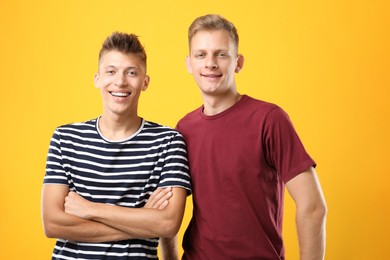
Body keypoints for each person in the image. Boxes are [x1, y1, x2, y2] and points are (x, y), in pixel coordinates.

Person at [176, 14, 327, 259]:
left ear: (238, 62)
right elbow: (170, 210)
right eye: (201, 54)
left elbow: (313, 207)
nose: (210, 63)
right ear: (189, 63)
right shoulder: (184, 128)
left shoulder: (269, 119)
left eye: (221, 54)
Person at [41, 32, 191, 259]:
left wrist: (90, 210)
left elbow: (168, 224)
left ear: (145, 82)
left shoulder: (168, 142)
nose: (120, 81)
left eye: (131, 73)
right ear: (97, 78)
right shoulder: (65, 138)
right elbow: (52, 223)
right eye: (111, 71)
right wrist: (142, 219)